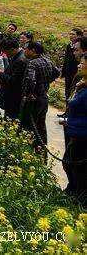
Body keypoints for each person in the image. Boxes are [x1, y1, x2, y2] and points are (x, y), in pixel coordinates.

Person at [20, 41, 60, 159]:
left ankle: (27, 155)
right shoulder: (48, 61)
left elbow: (30, 80)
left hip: (34, 100)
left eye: (26, 49)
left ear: (33, 51)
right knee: (41, 128)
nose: (24, 51)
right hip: (44, 98)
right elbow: (57, 73)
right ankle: (42, 156)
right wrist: (46, 83)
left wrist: (28, 93)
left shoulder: (32, 63)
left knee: (29, 127)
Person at [61, 53, 87, 206]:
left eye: (82, 64)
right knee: (69, 164)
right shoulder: (82, 85)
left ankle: (80, 201)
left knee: (79, 171)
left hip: (83, 137)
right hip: (75, 132)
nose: (78, 65)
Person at [0, 37, 29, 121]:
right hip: (12, 97)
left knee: (11, 120)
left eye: (5, 51)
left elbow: (13, 81)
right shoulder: (18, 56)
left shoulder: (20, 60)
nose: (4, 54)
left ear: (12, 49)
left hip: (14, 98)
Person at [61, 28, 83, 101]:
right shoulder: (69, 46)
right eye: (70, 34)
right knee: (67, 92)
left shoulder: (81, 47)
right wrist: (63, 72)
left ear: (79, 36)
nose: (70, 36)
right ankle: (66, 111)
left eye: (73, 34)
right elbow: (66, 60)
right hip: (68, 73)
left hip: (76, 73)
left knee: (73, 92)